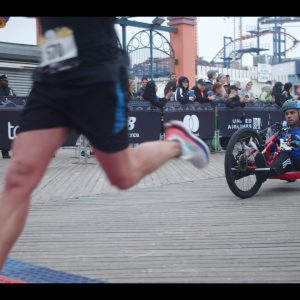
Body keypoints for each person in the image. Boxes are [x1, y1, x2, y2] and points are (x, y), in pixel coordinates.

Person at [0, 17, 210, 270]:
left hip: (99, 77)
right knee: (19, 178)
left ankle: (176, 142)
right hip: (52, 78)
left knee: (123, 175)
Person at [255, 99, 300, 181]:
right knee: (264, 151)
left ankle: (267, 172)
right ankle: (237, 172)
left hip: (296, 160)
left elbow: (287, 146)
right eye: (286, 114)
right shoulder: (284, 131)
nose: (289, 116)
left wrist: (282, 142)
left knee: (286, 154)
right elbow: (274, 148)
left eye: (292, 112)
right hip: (281, 157)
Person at [0, 74, 17, 159]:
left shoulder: (10, 90)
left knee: (6, 133)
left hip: (9, 115)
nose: (6, 82)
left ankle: (5, 152)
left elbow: (17, 99)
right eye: (4, 80)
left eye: (7, 80)